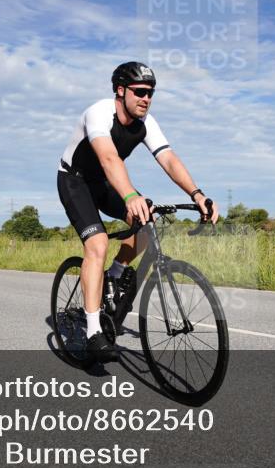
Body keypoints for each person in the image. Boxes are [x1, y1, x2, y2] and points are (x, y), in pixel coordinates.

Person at [57, 62, 218, 362]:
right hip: (74, 180)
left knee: (147, 223)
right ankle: (93, 333)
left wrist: (197, 194)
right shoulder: (99, 113)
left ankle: (115, 276)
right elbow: (107, 157)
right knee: (98, 243)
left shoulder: (146, 123)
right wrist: (130, 194)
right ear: (121, 90)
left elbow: (168, 159)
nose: (146, 98)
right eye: (140, 92)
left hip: (104, 183)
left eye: (151, 93)